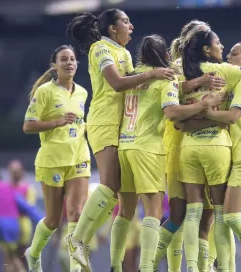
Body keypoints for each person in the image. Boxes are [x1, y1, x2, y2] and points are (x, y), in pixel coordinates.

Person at [65, 9, 174, 270]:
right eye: (125, 22)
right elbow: (116, 83)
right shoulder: (101, 49)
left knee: (119, 198)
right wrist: (152, 74)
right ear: (112, 28)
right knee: (109, 185)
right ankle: (77, 238)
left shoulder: (123, 52)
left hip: (123, 128)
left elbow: (133, 82)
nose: (131, 26)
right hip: (104, 122)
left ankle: (102, 255)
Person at [110, 34, 222, 272]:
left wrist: (196, 82)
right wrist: (201, 105)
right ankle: (147, 268)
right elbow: (171, 112)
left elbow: (166, 90)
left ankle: (114, 267)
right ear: (166, 56)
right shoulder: (165, 79)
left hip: (124, 145)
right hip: (148, 147)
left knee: (125, 212)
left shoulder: (132, 76)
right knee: (153, 212)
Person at [180, 33, 241, 272]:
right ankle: (217, 265)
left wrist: (203, 112)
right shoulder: (231, 81)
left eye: (234, 53)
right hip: (228, 154)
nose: (229, 56)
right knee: (218, 217)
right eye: (228, 52)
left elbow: (233, 117)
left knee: (229, 216)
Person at [154, 20, 234, 272]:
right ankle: (154, 265)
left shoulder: (216, 70)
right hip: (178, 146)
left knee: (206, 216)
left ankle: (205, 266)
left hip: (205, 142)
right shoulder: (176, 69)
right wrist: (200, 84)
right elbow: (170, 102)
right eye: (204, 36)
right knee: (180, 214)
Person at [22, 45, 91, 272]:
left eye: (72, 59)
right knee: (53, 220)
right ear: (55, 65)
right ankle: (33, 254)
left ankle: (75, 268)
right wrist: (56, 122)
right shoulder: (44, 92)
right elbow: (28, 126)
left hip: (79, 158)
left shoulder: (82, 92)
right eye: (64, 59)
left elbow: (79, 123)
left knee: (76, 214)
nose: (69, 63)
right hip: (52, 160)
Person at [8, 160, 37, 270]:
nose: (15, 174)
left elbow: (29, 207)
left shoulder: (28, 188)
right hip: (9, 225)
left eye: (17, 171)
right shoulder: (6, 188)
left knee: (20, 256)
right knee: (9, 257)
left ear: (22, 172)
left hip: (22, 225)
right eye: (12, 171)